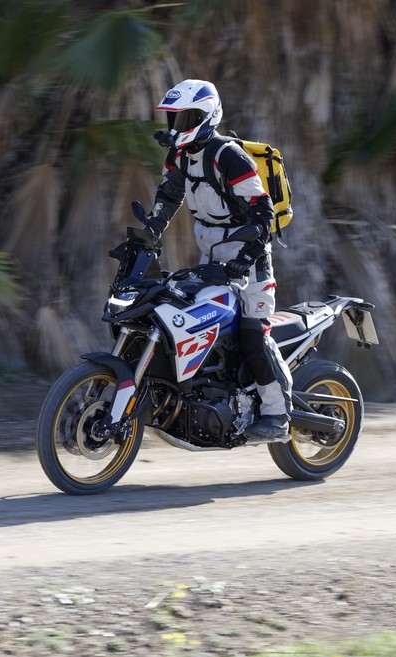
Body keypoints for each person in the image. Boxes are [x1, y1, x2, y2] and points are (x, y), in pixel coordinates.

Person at [145, 79, 292, 442]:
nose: (177, 126)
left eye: (186, 118)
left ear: (207, 116)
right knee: (198, 317)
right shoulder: (180, 155)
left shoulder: (229, 156)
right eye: (174, 119)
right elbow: (168, 196)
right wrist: (147, 234)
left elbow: (262, 215)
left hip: (250, 255)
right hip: (211, 251)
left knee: (251, 332)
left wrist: (245, 259)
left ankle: (277, 413)